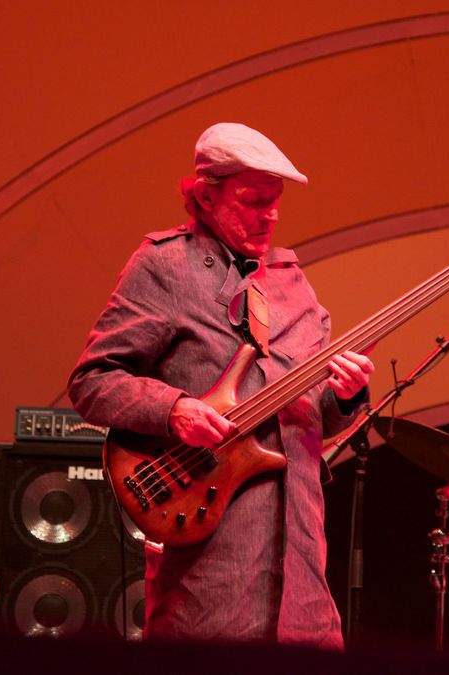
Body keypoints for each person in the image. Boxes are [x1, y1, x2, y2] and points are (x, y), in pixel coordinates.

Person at [67, 122, 373, 650]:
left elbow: (312, 423)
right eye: (254, 201)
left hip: (304, 583)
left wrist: (344, 398)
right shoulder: (165, 265)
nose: (269, 216)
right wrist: (175, 408)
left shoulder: (293, 285)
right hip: (210, 578)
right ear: (206, 196)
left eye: (276, 202)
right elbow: (93, 380)